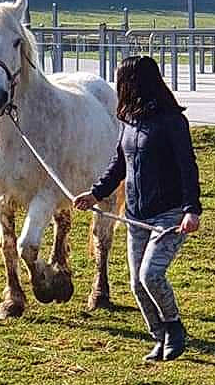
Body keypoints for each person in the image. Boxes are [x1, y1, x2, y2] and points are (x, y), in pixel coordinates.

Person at [74, 55, 202, 363]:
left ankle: (174, 326)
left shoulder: (172, 121)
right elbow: (119, 165)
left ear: (134, 83)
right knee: (136, 284)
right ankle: (159, 337)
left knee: (151, 275)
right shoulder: (129, 122)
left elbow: (188, 167)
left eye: (121, 81)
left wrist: (191, 210)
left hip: (169, 214)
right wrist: (95, 194)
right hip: (136, 215)